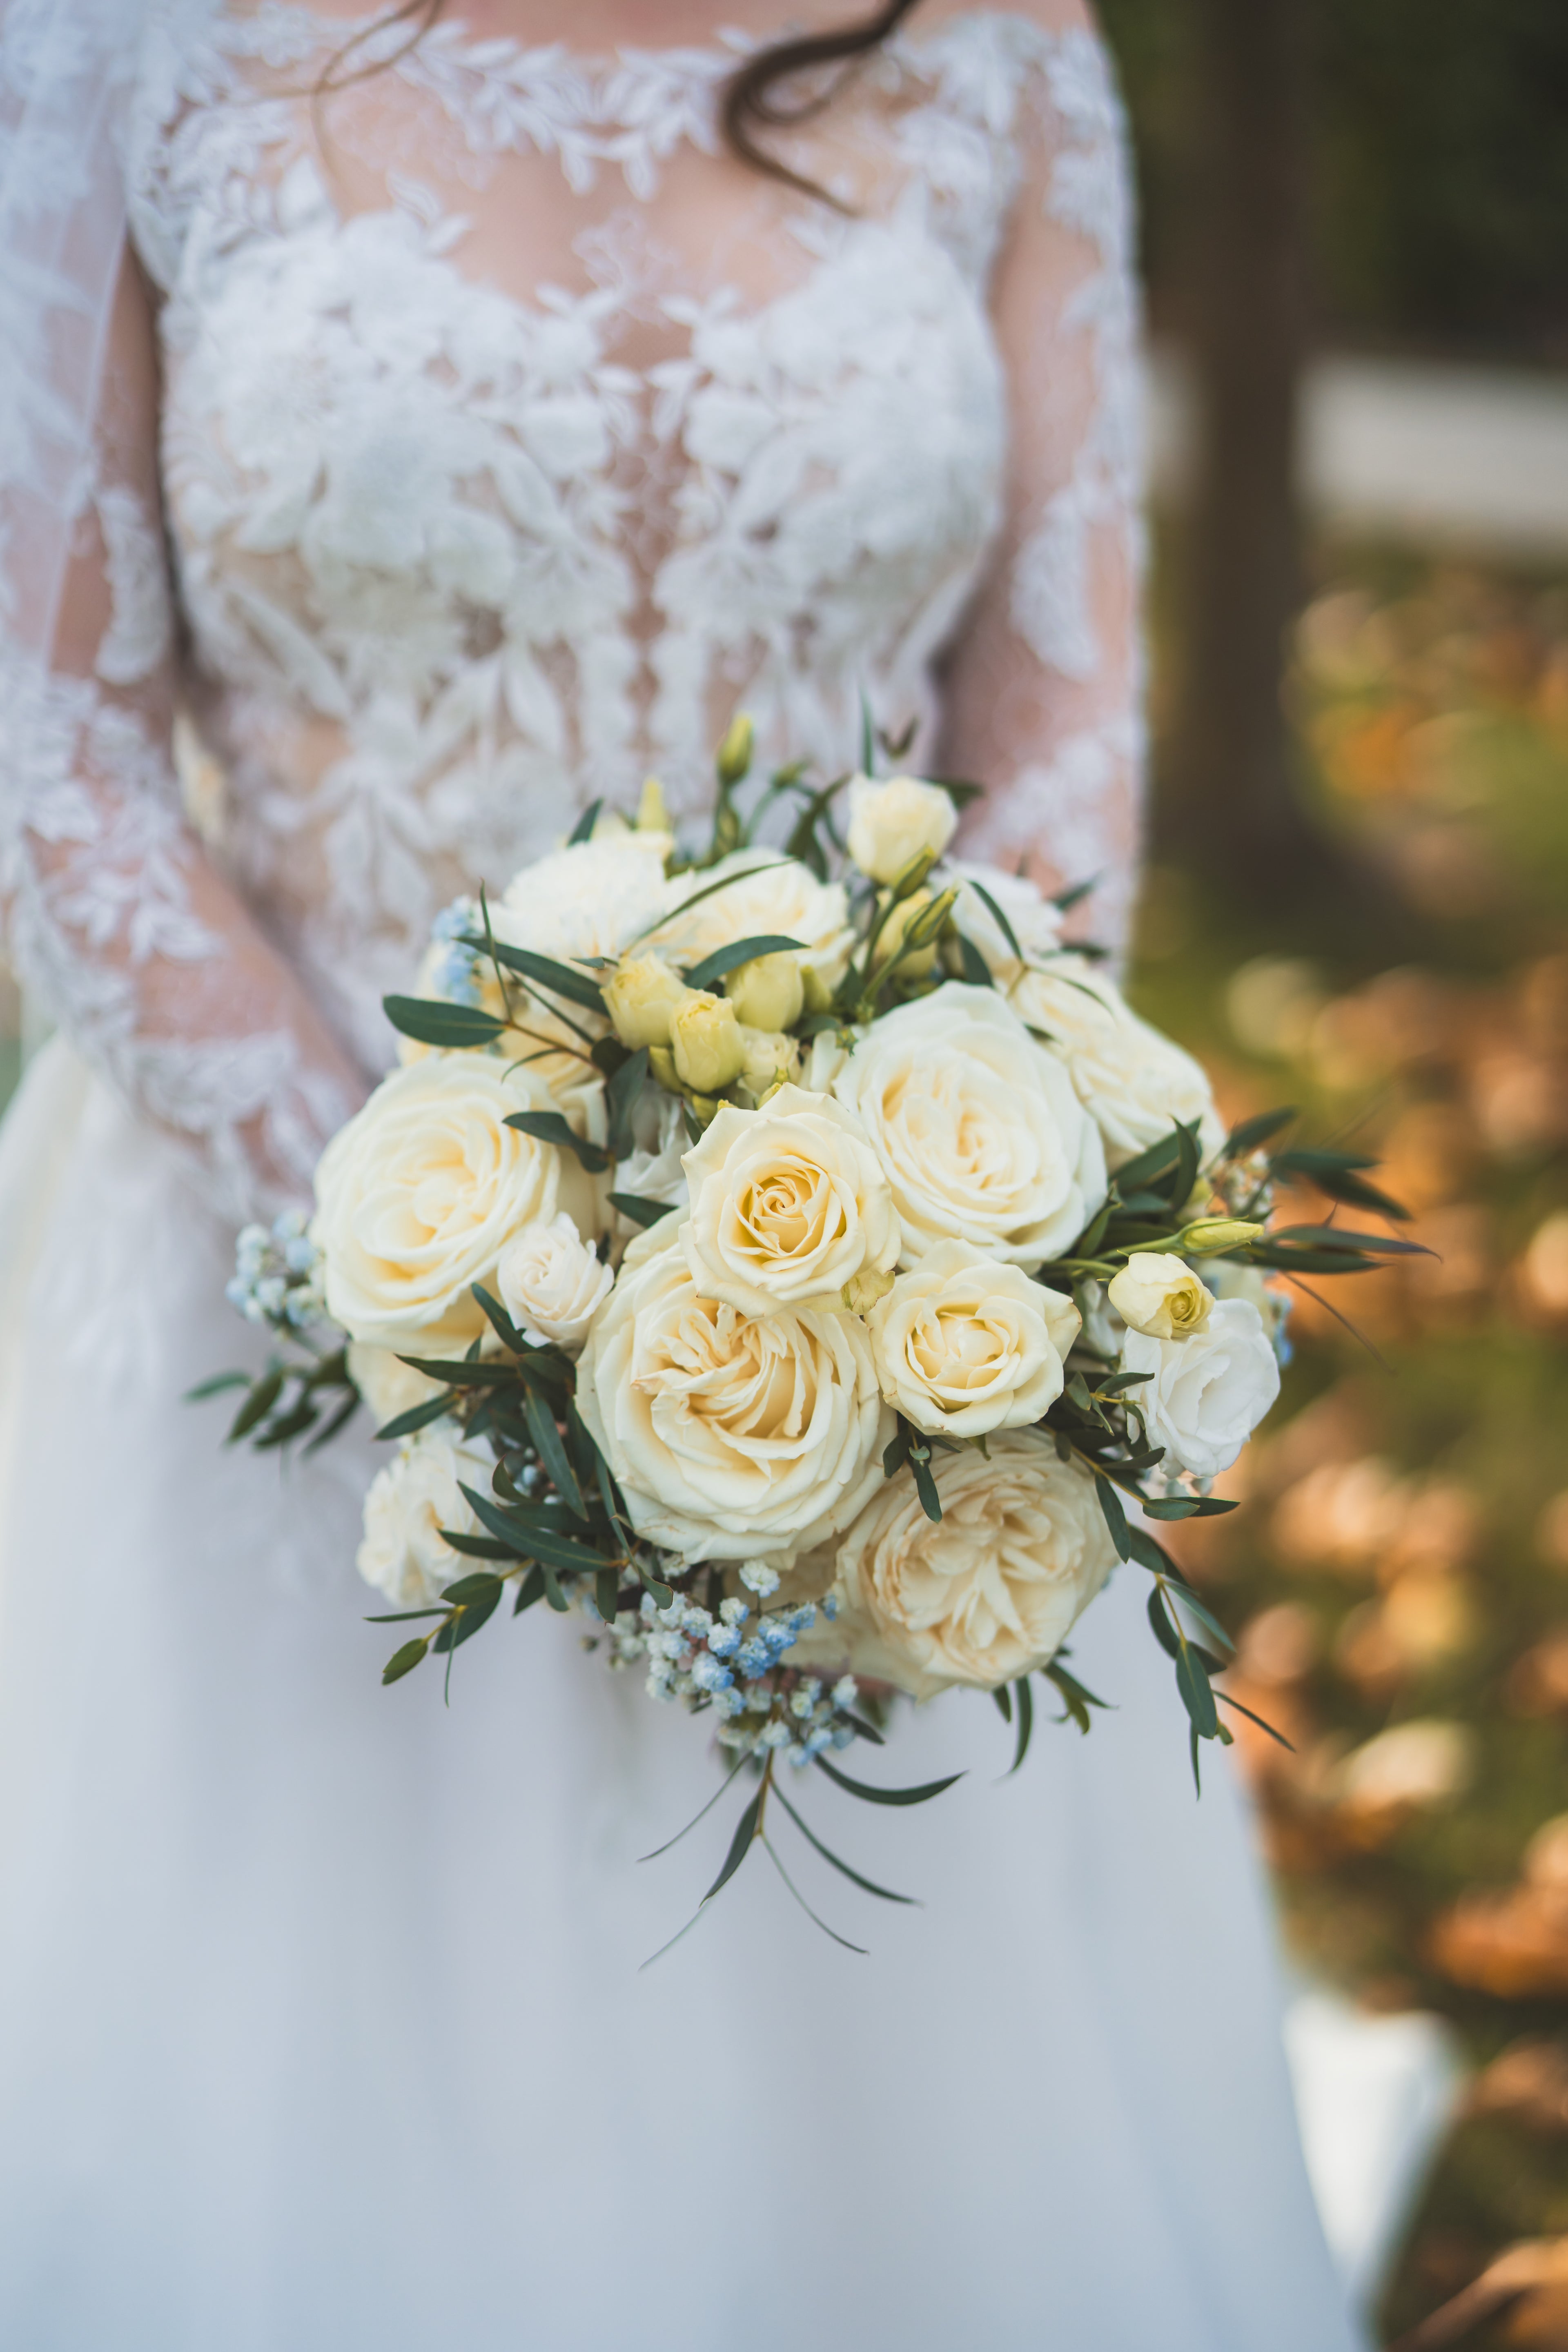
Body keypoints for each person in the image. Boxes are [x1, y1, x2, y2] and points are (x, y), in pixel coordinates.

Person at [0, 2, 1360, 2344]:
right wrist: (468, 1294)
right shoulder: (113, 40)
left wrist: (928, 1227)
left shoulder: (1006, 48)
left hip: (891, 1324)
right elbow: (64, 760)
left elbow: (1055, 741)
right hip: (270, 1285)